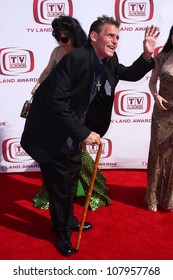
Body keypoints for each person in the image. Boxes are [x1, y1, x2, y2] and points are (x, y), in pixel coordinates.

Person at [21, 15, 159, 256]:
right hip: (50, 133)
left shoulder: (108, 59)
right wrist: (83, 132)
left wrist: (147, 56)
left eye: (117, 37)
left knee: (72, 179)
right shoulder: (75, 58)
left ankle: (69, 219)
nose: (115, 41)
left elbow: (128, 74)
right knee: (59, 188)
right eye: (110, 35)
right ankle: (61, 232)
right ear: (94, 36)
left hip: (71, 131)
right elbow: (56, 101)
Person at [31, 16, 111, 212]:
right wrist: (39, 84)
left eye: (65, 38)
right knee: (59, 162)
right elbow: (47, 71)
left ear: (74, 36)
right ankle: (62, 203)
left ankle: (83, 195)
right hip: (57, 116)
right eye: (58, 37)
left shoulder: (83, 54)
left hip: (77, 116)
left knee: (76, 160)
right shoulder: (57, 52)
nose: (61, 42)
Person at [145, 25, 173, 212]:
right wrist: (156, 96)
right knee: (157, 154)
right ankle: (152, 196)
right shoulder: (162, 57)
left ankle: (169, 197)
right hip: (161, 114)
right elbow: (152, 82)